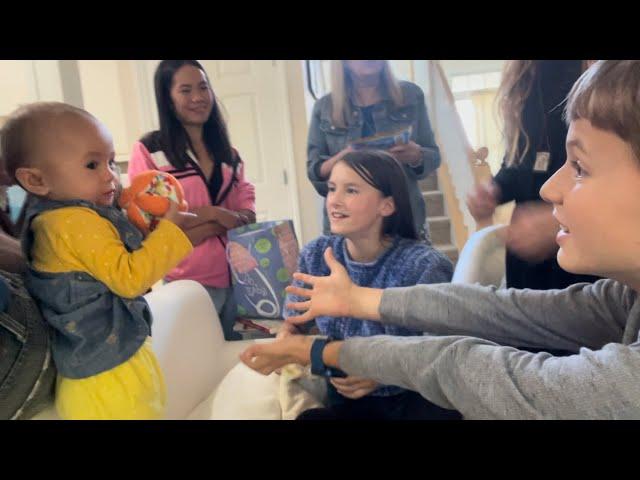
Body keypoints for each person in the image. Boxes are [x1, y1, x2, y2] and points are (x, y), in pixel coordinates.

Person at [241, 61, 640, 419]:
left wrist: (323, 354)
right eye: (332, 188)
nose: (551, 189)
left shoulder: (419, 262)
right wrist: (354, 303)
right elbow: (502, 310)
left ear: (388, 204)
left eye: (581, 167)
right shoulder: (624, 300)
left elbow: (462, 363)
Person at [3, 102, 194, 419]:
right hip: (109, 378)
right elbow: (131, 279)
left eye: (110, 161)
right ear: (36, 181)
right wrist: (171, 232)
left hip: (102, 369)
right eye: (92, 165)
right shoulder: (74, 223)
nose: (110, 175)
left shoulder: (56, 219)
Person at [280, 149, 457, 419]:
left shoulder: (425, 266)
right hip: (345, 398)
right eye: (331, 189)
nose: (334, 201)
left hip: (412, 397)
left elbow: (439, 355)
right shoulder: (316, 255)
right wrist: (288, 336)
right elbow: (294, 321)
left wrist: (382, 374)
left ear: (387, 205)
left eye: (351, 190)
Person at [129, 60, 256, 340]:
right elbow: (153, 226)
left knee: (240, 363)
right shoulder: (151, 150)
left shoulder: (229, 154)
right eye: (185, 90)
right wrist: (215, 215)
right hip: (188, 284)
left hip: (242, 280)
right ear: (168, 98)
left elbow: (245, 211)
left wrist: (232, 217)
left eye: (203, 87)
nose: (198, 97)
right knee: (200, 371)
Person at [467, 60, 599, 290]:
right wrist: (494, 189)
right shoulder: (528, 79)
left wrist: (562, 219)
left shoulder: (605, 74)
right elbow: (522, 161)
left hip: (587, 262)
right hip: (530, 261)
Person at [307, 60, 440, 241]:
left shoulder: (410, 96)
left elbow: (433, 156)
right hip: (347, 229)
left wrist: (416, 156)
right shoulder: (325, 108)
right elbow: (315, 172)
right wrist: (346, 158)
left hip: (403, 220)